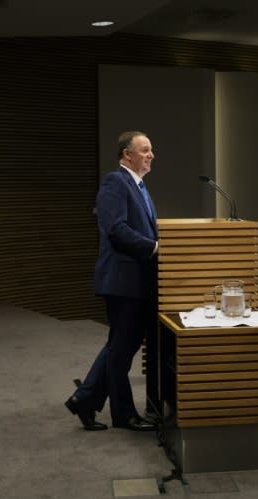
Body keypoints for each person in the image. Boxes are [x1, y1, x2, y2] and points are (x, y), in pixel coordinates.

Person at [65, 131, 158, 432]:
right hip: (122, 279)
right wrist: (153, 247)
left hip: (137, 282)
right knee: (121, 349)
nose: (150, 155)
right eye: (144, 150)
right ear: (126, 154)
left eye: (151, 150)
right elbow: (116, 228)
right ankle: (123, 414)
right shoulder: (115, 182)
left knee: (121, 346)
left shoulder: (140, 187)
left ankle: (85, 399)